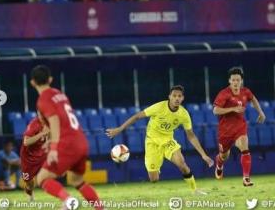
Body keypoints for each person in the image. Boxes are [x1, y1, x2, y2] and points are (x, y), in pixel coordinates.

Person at [106, 85, 214, 194]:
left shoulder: (184, 114)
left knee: (182, 164)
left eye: (179, 96)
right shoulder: (159, 107)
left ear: (182, 98)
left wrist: (203, 154)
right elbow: (137, 116)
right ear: (169, 97)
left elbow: (191, 135)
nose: (177, 98)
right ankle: (157, 163)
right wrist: (120, 129)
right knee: (154, 179)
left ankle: (194, 189)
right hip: (151, 142)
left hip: (167, 141)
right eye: (174, 96)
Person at [30, 65, 103, 210]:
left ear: (32, 82)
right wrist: (52, 140)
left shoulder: (43, 99)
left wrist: (54, 148)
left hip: (67, 144)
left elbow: (55, 120)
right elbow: (65, 121)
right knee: (76, 180)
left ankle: (68, 201)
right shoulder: (59, 94)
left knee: (42, 178)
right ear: (50, 79)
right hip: (80, 141)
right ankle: (101, 208)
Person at [213, 67, 266, 186]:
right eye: (233, 80)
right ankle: (219, 164)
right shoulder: (224, 93)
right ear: (229, 81)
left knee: (244, 147)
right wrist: (232, 109)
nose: (236, 82)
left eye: (238, 80)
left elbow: (253, 99)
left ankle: (246, 178)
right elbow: (215, 110)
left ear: (241, 81)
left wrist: (261, 112)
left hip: (239, 127)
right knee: (224, 156)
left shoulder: (246, 92)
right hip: (225, 130)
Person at [20, 111, 49, 201]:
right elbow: (26, 142)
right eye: (40, 114)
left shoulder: (51, 122)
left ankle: (63, 196)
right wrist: (41, 134)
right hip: (28, 158)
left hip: (42, 154)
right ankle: (30, 194)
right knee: (29, 183)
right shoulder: (33, 125)